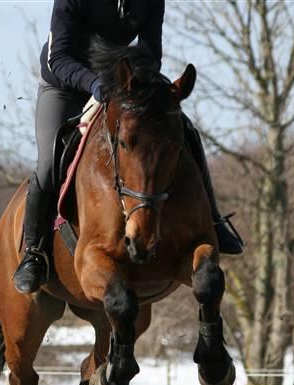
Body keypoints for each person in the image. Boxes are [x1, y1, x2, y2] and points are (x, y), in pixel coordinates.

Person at [13, 0, 244, 295]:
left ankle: (213, 219)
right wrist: (96, 84)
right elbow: (57, 59)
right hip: (65, 85)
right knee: (48, 164)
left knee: (184, 130)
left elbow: (149, 55)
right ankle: (35, 252)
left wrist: (140, 87)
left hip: (122, 85)